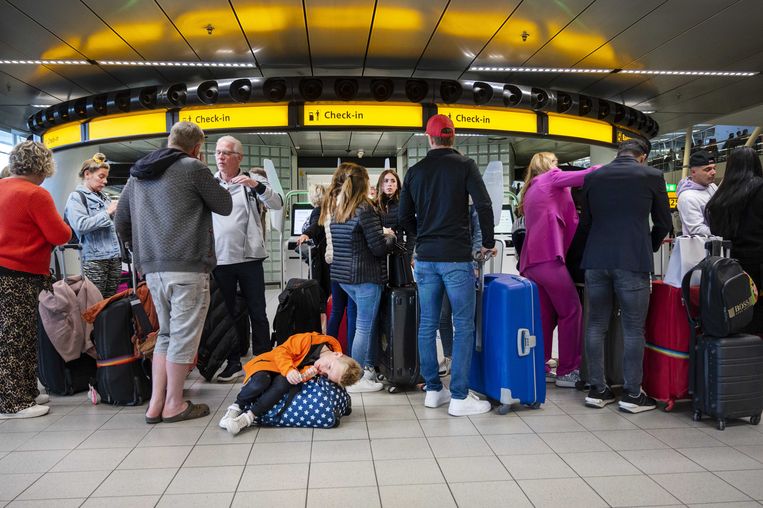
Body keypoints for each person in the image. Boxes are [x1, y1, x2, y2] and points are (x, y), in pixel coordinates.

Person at [115, 121, 233, 424]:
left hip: (152, 267)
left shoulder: (138, 173)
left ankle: (155, 404)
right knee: (182, 337)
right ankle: (174, 403)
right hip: (187, 266)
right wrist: (203, 168)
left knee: (165, 335)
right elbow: (224, 205)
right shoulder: (193, 167)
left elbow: (121, 221)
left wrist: (138, 250)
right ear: (196, 147)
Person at [399, 114, 496, 417]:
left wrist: (419, 240)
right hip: (456, 257)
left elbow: (403, 218)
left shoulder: (415, 171)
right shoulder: (465, 165)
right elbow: (483, 205)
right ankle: (459, 396)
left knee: (427, 324)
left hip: (425, 259)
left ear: (428, 138)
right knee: (463, 324)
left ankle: (432, 390)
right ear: (453, 137)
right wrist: (488, 240)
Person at [580, 139, 671, 413]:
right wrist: (649, 244)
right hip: (632, 260)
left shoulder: (593, 176)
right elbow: (664, 222)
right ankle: (632, 394)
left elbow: (586, 223)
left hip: (596, 260)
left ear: (619, 154)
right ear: (642, 157)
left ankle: (597, 389)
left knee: (596, 325)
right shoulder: (652, 176)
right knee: (633, 328)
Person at [0, 141, 71, 419]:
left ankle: (25, 391)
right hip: (20, 274)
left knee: (13, 334)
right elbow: (60, 235)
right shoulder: (35, 194)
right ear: (43, 166)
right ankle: (13, 402)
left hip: (5, 272)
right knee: (17, 337)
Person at [517, 152, 599, 388]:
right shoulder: (551, 178)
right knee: (572, 310)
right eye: (555, 162)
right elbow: (588, 174)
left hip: (532, 262)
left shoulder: (531, 187)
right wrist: (615, 167)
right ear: (548, 165)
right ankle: (568, 370)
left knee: (544, 316)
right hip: (548, 258)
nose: (559, 166)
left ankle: (540, 365)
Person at [211, 135, 283, 382]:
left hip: (251, 257)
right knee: (227, 313)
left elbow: (277, 203)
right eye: (218, 152)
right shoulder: (210, 183)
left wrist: (256, 185)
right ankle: (232, 362)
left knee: (257, 311)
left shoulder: (253, 181)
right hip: (220, 259)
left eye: (226, 153)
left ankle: (263, 358)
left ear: (238, 157)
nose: (220, 157)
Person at [321, 162, 393, 393]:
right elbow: (378, 248)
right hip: (365, 276)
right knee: (364, 327)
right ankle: (357, 377)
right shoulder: (364, 208)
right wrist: (390, 239)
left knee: (362, 324)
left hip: (344, 276)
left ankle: (364, 367)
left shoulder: (335, 207)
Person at [219, 331, 362, 434]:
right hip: (270, 364)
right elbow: (281, 351)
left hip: (284, 375)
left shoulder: (320, 368)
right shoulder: (309, 339)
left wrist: (304, 375)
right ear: (337, 354)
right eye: (329, 367)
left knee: (283, 384)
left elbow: (300, 379)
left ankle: (248, 417)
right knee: (261, 381)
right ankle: (236, 407)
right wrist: (288, 370)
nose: (323, 370)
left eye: (326, 374)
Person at [706, 146, 763, 334]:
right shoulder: (759, 189)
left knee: (737, 315)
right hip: (758, 264)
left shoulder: (720, 197)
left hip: (729, 268)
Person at [64, 153, 121, 298]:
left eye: (106, 177)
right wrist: (108, 213)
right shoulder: (76, 197)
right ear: (87, 174)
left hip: (114, 257)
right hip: (94, 259)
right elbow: (81, 225)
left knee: (111, 302)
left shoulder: (104, 197)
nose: (105, 181)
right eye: (101, 176)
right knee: (95, 304)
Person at [438, 201, 481, 377]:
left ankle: (462, 363)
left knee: (462, 320)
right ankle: (450, 356)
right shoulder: (441, 200)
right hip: (440, 263)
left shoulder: (471, 204)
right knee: (443, 315)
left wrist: (475, 259)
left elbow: (478, 232)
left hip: (463, 263)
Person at [676, 150, 717, 236]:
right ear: (693, 172)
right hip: (699, 247)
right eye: (708, 169)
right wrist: (725, 231)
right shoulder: (687, 197)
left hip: (714, 244)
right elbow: (696, 229)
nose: (713, 172)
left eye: (714, 168)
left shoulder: (712, 186)